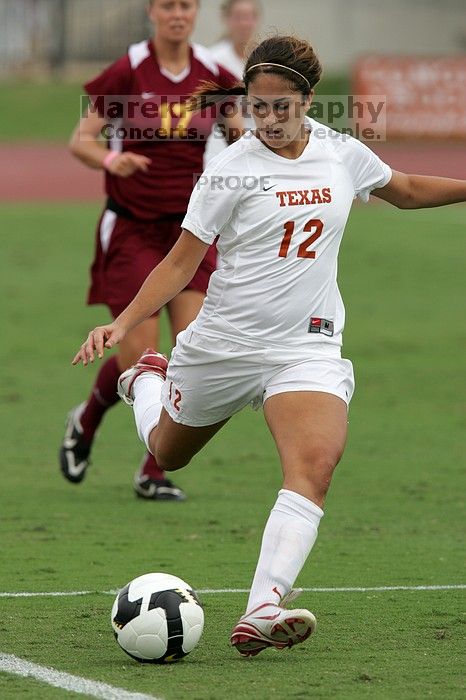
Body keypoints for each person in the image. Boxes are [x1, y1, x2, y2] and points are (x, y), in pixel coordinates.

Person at [72, 35, 466, 655]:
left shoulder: (342, 154)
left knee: (315, 466)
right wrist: (123, 326)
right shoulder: (229, 169)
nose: (269, 119)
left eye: (282, 107)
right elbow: (179, 266)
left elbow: (407, 188)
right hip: (224, 345)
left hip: (307, 345)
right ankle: (144, 379)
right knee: (169, 453)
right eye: (258, 106)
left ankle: (263, 607)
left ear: (309, 101)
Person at [60, 0, 242, 500]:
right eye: (168, 6)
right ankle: (87, 420)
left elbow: (240, 137)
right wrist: (112, 158)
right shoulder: (129, 69)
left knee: (189, 357)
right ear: (152, 12)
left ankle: (152, 469)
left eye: (186, 5)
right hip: (133, 228)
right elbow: (82, 140)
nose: (177, 14)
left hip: (190, 233)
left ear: (197, 12)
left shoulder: (214, 74)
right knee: (140, 358)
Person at [204, 0, 261, 164]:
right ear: (226, 20)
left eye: (248, 17)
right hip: (221, 146)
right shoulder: (213, 60)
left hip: (259, 144)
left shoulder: (266, 58)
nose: (244, 23)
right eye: (238, 17)